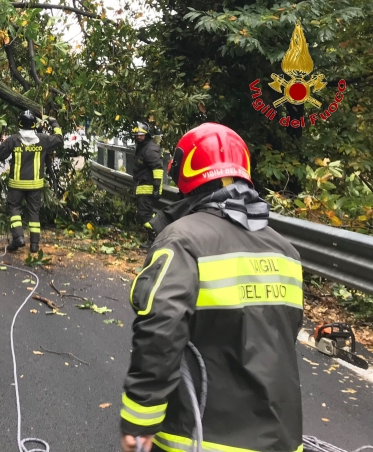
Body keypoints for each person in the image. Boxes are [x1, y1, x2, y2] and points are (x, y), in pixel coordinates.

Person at [120, 123, 303, 452]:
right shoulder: (286, 252)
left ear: (185, 173)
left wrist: (140, 418)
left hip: (203, 437)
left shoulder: (183, 239)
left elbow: (161, 327)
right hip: (282, 440)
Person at [0, 111, 63, 253]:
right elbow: (59, 138)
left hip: (16, 184)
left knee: (14, 209)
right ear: (33, 125)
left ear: (19, 124)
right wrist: (53, 122)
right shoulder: (42, 139)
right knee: (34, 212)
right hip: (35, 185)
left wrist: (4, 143)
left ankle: (18, 237)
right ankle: (34, 245)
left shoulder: (14, 140)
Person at [131, 122, 164, 249]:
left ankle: (156, 238)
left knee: (144, 215)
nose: (139, 137)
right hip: (142, 186)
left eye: (141, 135)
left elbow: (158, 169)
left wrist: (156, 188)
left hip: (149, 187)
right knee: (145, 213)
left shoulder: (150, 149)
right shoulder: (142, 147)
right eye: (137, 135)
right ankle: (155, 237)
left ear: (147, 135)